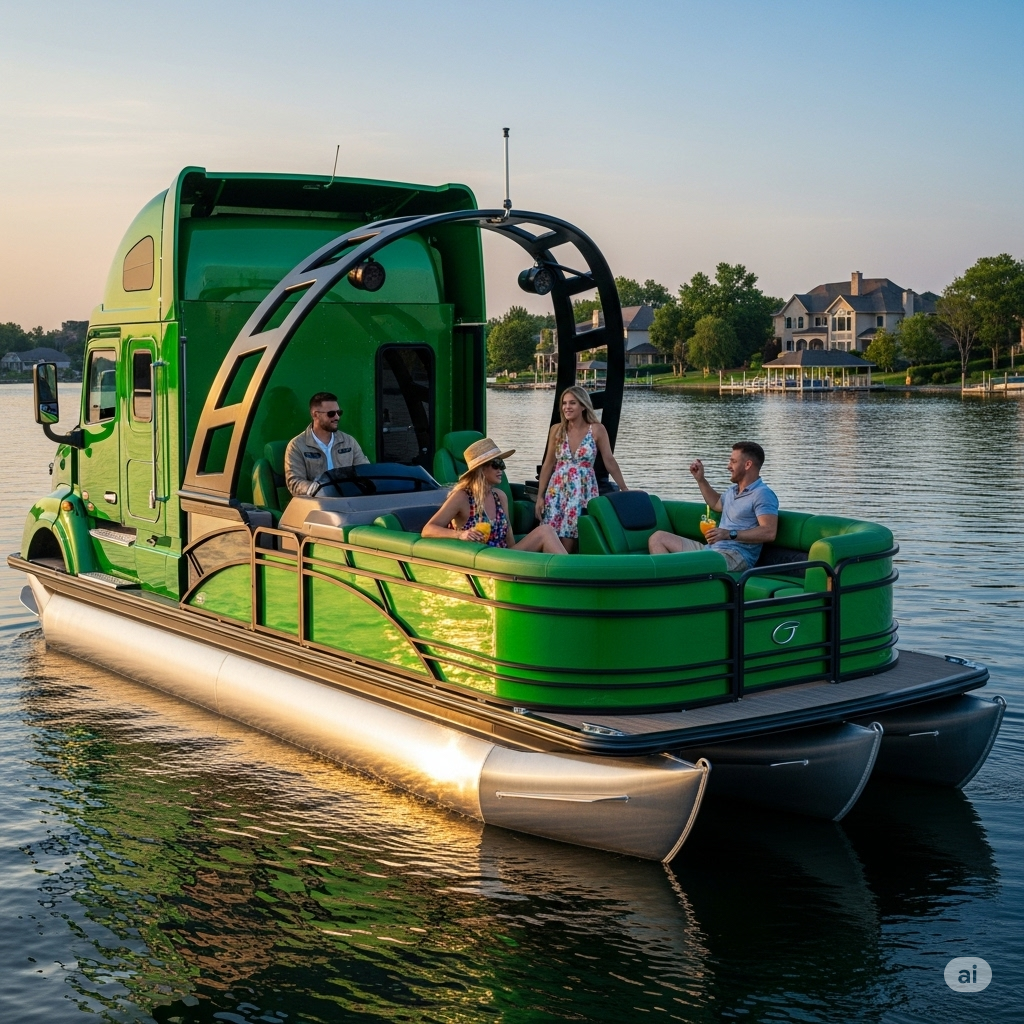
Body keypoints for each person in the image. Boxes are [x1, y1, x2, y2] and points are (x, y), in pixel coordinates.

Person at [648, 441, 778, 571]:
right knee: (658, 538)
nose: (728, 466)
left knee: (686, 563)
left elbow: (769, 532)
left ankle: (673, 582)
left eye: (733, 461)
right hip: (711, 549)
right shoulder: (733, 490)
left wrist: (729, 534)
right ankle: (667, 584)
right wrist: (700, 479)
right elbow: (716, 503)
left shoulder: (762, 494)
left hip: (734, 556)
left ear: (748, 464)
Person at [423, 438, 566, 553]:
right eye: (496, 465)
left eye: (502, 465)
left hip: (502, 559)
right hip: (479, 561)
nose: (501, 470)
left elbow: (510, 544)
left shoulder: (500, 496)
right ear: (481, 469)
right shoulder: (462, 497)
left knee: (546, 530)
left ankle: (571, 577)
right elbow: (428, 529)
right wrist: (461, 535)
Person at [535, 386, 628, 553]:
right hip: (557, 489)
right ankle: (552, 572)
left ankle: (567, 571)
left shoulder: (597, 429)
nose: (567, 407)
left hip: (582, 489)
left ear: (583, 405)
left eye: (572, 403)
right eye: (564, 403)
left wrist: (624, 488)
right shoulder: (557, 430)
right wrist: (540, 496)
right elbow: (548, 464)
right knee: (553, 530)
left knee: (571, 534)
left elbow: (609, 461)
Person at [285, 391, 370, 497]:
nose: (337, 417)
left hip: (349, 500)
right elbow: (295, 483)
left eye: (339, 413)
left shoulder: (349, 441)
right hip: (316, 505)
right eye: (331, 414)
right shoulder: (296, 445)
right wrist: (320, 489)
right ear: (315, 415)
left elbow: (365, 471)